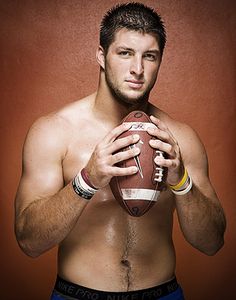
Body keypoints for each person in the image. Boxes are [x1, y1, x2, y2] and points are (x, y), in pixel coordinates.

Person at [14, 2, 226, 300]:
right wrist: (87, 180)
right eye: (125, 53)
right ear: (102, 56)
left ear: (160, 60)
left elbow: (212, 242)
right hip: (78, 295)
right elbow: (29, 242)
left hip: (163, 293)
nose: (137, 69)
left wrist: (181, 181)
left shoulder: (179, 139)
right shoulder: (55, 132)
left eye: (149, 56)